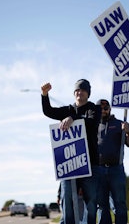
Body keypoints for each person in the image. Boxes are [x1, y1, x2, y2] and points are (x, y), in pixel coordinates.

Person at [41, 79, 101, 224]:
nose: (80, 92)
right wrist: (44, 95)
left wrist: (72, 118)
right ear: (74, 93)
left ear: (88, 93)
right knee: (66, 200)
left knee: (92, 202)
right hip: (69, 165)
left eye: (83, 90)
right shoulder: (68, 109)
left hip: (90, 164)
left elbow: (91, 122)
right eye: (77, 90)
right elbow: (48, 111)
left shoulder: (94, 108)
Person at [95, 99, 129, 224]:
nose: (103, 110)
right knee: (102, 205)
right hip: (99, 170)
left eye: (106, 108)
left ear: (110, 109)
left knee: (120, 203)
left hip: (116, 169)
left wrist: (127, 131)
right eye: (100, 108)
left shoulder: (119, 124)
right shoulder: (92, 125)